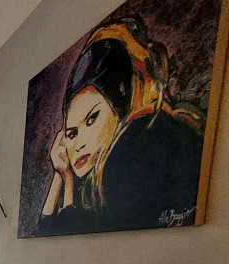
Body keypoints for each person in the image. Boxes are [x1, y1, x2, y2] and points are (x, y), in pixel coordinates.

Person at [36, 18, 204, 236]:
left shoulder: (137, 145)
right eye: (72, 133)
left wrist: (64, 177)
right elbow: (57, 229)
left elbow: (65, 229)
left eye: (92, 119)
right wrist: (63, 175)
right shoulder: (102, 177)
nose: (79, 144)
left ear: (121, 110)